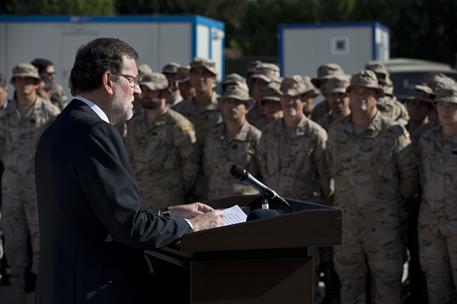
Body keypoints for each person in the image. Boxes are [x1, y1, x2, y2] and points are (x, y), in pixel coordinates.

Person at [34, 38, 223, 304]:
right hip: (96, 289)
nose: (137, 91)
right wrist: (192, 225)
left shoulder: (59, 127)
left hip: (66, 287)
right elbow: (131, 228)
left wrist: (170, 213)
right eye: (133, 80)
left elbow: (103, 214)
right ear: (109, 81)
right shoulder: (95, 132)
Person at [326, 70, 417, 304]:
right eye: (356, 92)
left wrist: (394, 208)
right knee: (350, 286)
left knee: (387, 287)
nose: (361, 97)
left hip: (384, 227)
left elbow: (409, 176)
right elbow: (331, 169)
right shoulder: (336, 132)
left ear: (377, 95)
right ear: (349, 96)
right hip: (348, 227)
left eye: (368, 92)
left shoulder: (393, 132)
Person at [0, 63, 60, 304]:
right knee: (13, 243)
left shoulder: (51, 113)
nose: (24, 84)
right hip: (12, 188)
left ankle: (40, 293)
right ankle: (16, 294)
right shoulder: (4, 115)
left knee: (41, 243)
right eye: (19, 80)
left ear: (37, 83)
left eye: (29, 80)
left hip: (39, 189)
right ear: (13, 83)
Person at [125, 72, 198, 206]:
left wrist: (176, 189)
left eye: (152, 91)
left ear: (164, 93)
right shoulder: (134, 122)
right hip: (139, 199)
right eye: (144, 90)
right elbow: (129, 158)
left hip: (168, 201)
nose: (145, 94)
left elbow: (190, 166)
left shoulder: (179, 125)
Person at [417, 81, 457, 304]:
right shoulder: (427, 139)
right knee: (436, 286)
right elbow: (421, 177)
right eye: (441, 106)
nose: (445, 111)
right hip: (431, 226)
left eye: (451, 106)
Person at [173, 57, 222, 200]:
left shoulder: (226, 108)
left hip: (216, 184)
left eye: (206, 74)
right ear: (190, 77)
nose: (201, 78)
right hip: (186, 184)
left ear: (215, 78)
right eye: (196, 73)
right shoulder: (178, 111)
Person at [203, 81, 261, 200]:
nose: (231, 106)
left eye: (237, 102)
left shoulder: (255, 137)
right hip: (216, 200)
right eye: (228, 102)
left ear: (246, 108)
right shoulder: (213, 135)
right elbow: (208, 169)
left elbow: (264, 174)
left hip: (244, 204)